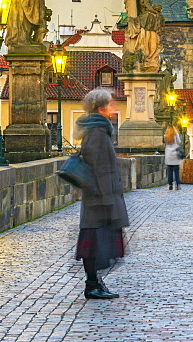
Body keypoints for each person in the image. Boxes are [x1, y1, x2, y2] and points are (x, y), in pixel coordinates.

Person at [75, 88, 129, 301]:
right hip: (100, 201)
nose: (114, 107)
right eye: (111, 104)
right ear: (100, 108)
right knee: (95, 246)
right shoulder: (97, 133)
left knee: (97, 245)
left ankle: (95, 283)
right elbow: (98, 169)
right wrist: (107, 201)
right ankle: (92, 285)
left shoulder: (98, 130)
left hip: (100, 199)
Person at [163, 125, 181, 190]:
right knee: (176, 171)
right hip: (175, 155)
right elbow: (179, 142)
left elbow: (164, 143)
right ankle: (177, 184)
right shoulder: (176, 135)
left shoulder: (165, 136)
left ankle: (170, 185)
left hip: (168, 155)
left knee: (170, 171)